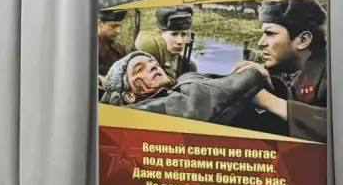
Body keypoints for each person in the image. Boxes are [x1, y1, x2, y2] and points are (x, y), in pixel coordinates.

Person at [102, 51, 269, 125]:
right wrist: (253, 74)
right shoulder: (135, 113)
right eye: (140, 69)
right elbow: (196, 106)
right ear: (129, 96)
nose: (153, 66)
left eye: (154, 63)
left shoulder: (179, 82)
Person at [244, 0, 329, 142]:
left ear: (303, 40)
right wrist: (272, 84)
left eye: (270, 33)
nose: (260, 43)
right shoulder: (297, 68)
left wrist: (264, 99)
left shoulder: (334, 70)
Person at [134, 5, 195, 82]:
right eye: (174, 34)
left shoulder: (189, 65)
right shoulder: (148, 64)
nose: (180, 41)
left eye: (184, 34)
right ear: (160, 33)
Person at [96, 9, 127, 84]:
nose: (118, 31)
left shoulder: (119, 47)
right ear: (100, 23)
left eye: (119, 26)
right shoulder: (86, 47)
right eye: (113, 26)